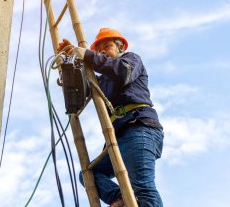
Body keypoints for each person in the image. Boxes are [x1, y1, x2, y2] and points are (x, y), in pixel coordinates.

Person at [57, 28, 164, 207]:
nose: (103, 51)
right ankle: (120, 199)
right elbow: (80, 92)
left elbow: (122, 73)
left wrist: (88, 55)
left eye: (107, 46)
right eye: (99, 50)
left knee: (143, 188)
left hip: (138, 127)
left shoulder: (130, 60)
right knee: (89, 174)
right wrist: (69, 64)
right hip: (118, 135)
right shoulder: (102, 81)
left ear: (120, 47)